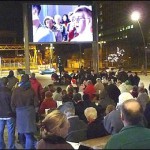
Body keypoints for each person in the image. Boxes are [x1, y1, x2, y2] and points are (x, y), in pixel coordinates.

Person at [11, 74, 39, 149]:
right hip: (30, 113)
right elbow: (36, 103)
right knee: (29, 134)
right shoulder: (31, 90)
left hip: (20, 113)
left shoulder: (16, 90)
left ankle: (26, 146)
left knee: (22, 132)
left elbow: (12, 103)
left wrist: (15, 111)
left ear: (21, 80)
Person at [0, 77, 16, 149]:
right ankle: (11, 147)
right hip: (9, 115)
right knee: (11, 132)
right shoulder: (10, 92)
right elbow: (12, 104)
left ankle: (1, 146)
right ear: (7, 83)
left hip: (0, 115)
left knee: (0, 132)